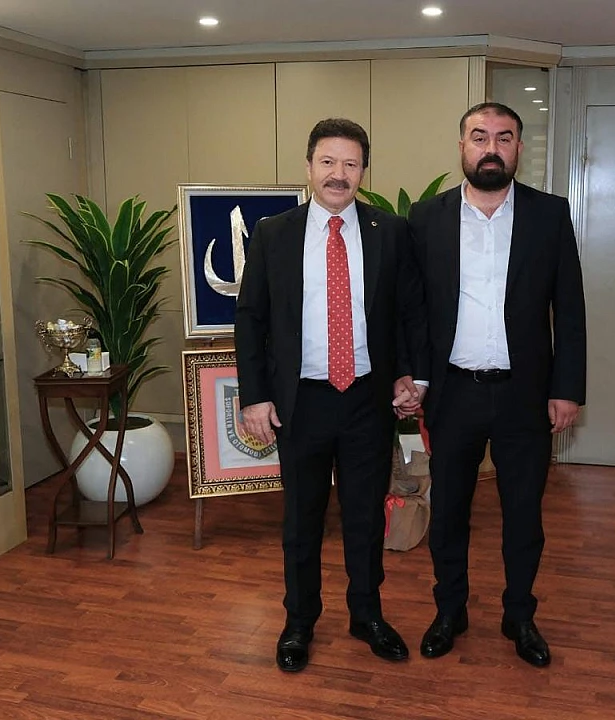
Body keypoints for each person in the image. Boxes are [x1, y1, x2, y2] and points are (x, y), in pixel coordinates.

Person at [234, 117, 429, 673]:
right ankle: (299, 622)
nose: (338, 174)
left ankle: (367, 615)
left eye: (350, 164)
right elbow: (250, 320)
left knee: (365, 517)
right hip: (302, 403)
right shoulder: (273, 234)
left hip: (368, 399)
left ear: (363, 171)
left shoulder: (390, 231)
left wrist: (412, 376)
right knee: (302, 520)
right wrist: (255, 396)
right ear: (308, 166)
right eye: (327, 162)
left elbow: (409, 312)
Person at [407, 102, 586, 668]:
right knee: (449, 512)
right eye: (479, 136)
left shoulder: (549, 215)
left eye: (503, 138)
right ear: (462, 146)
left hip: (524, 395)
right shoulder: (426, 218)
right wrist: (415, 378)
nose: (491, 148)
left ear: (518, 149)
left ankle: (519, 615)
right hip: (453, 393)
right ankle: (449, 611)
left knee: (524, 516)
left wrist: (567, 388)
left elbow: (570, 309)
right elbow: (414, 309)